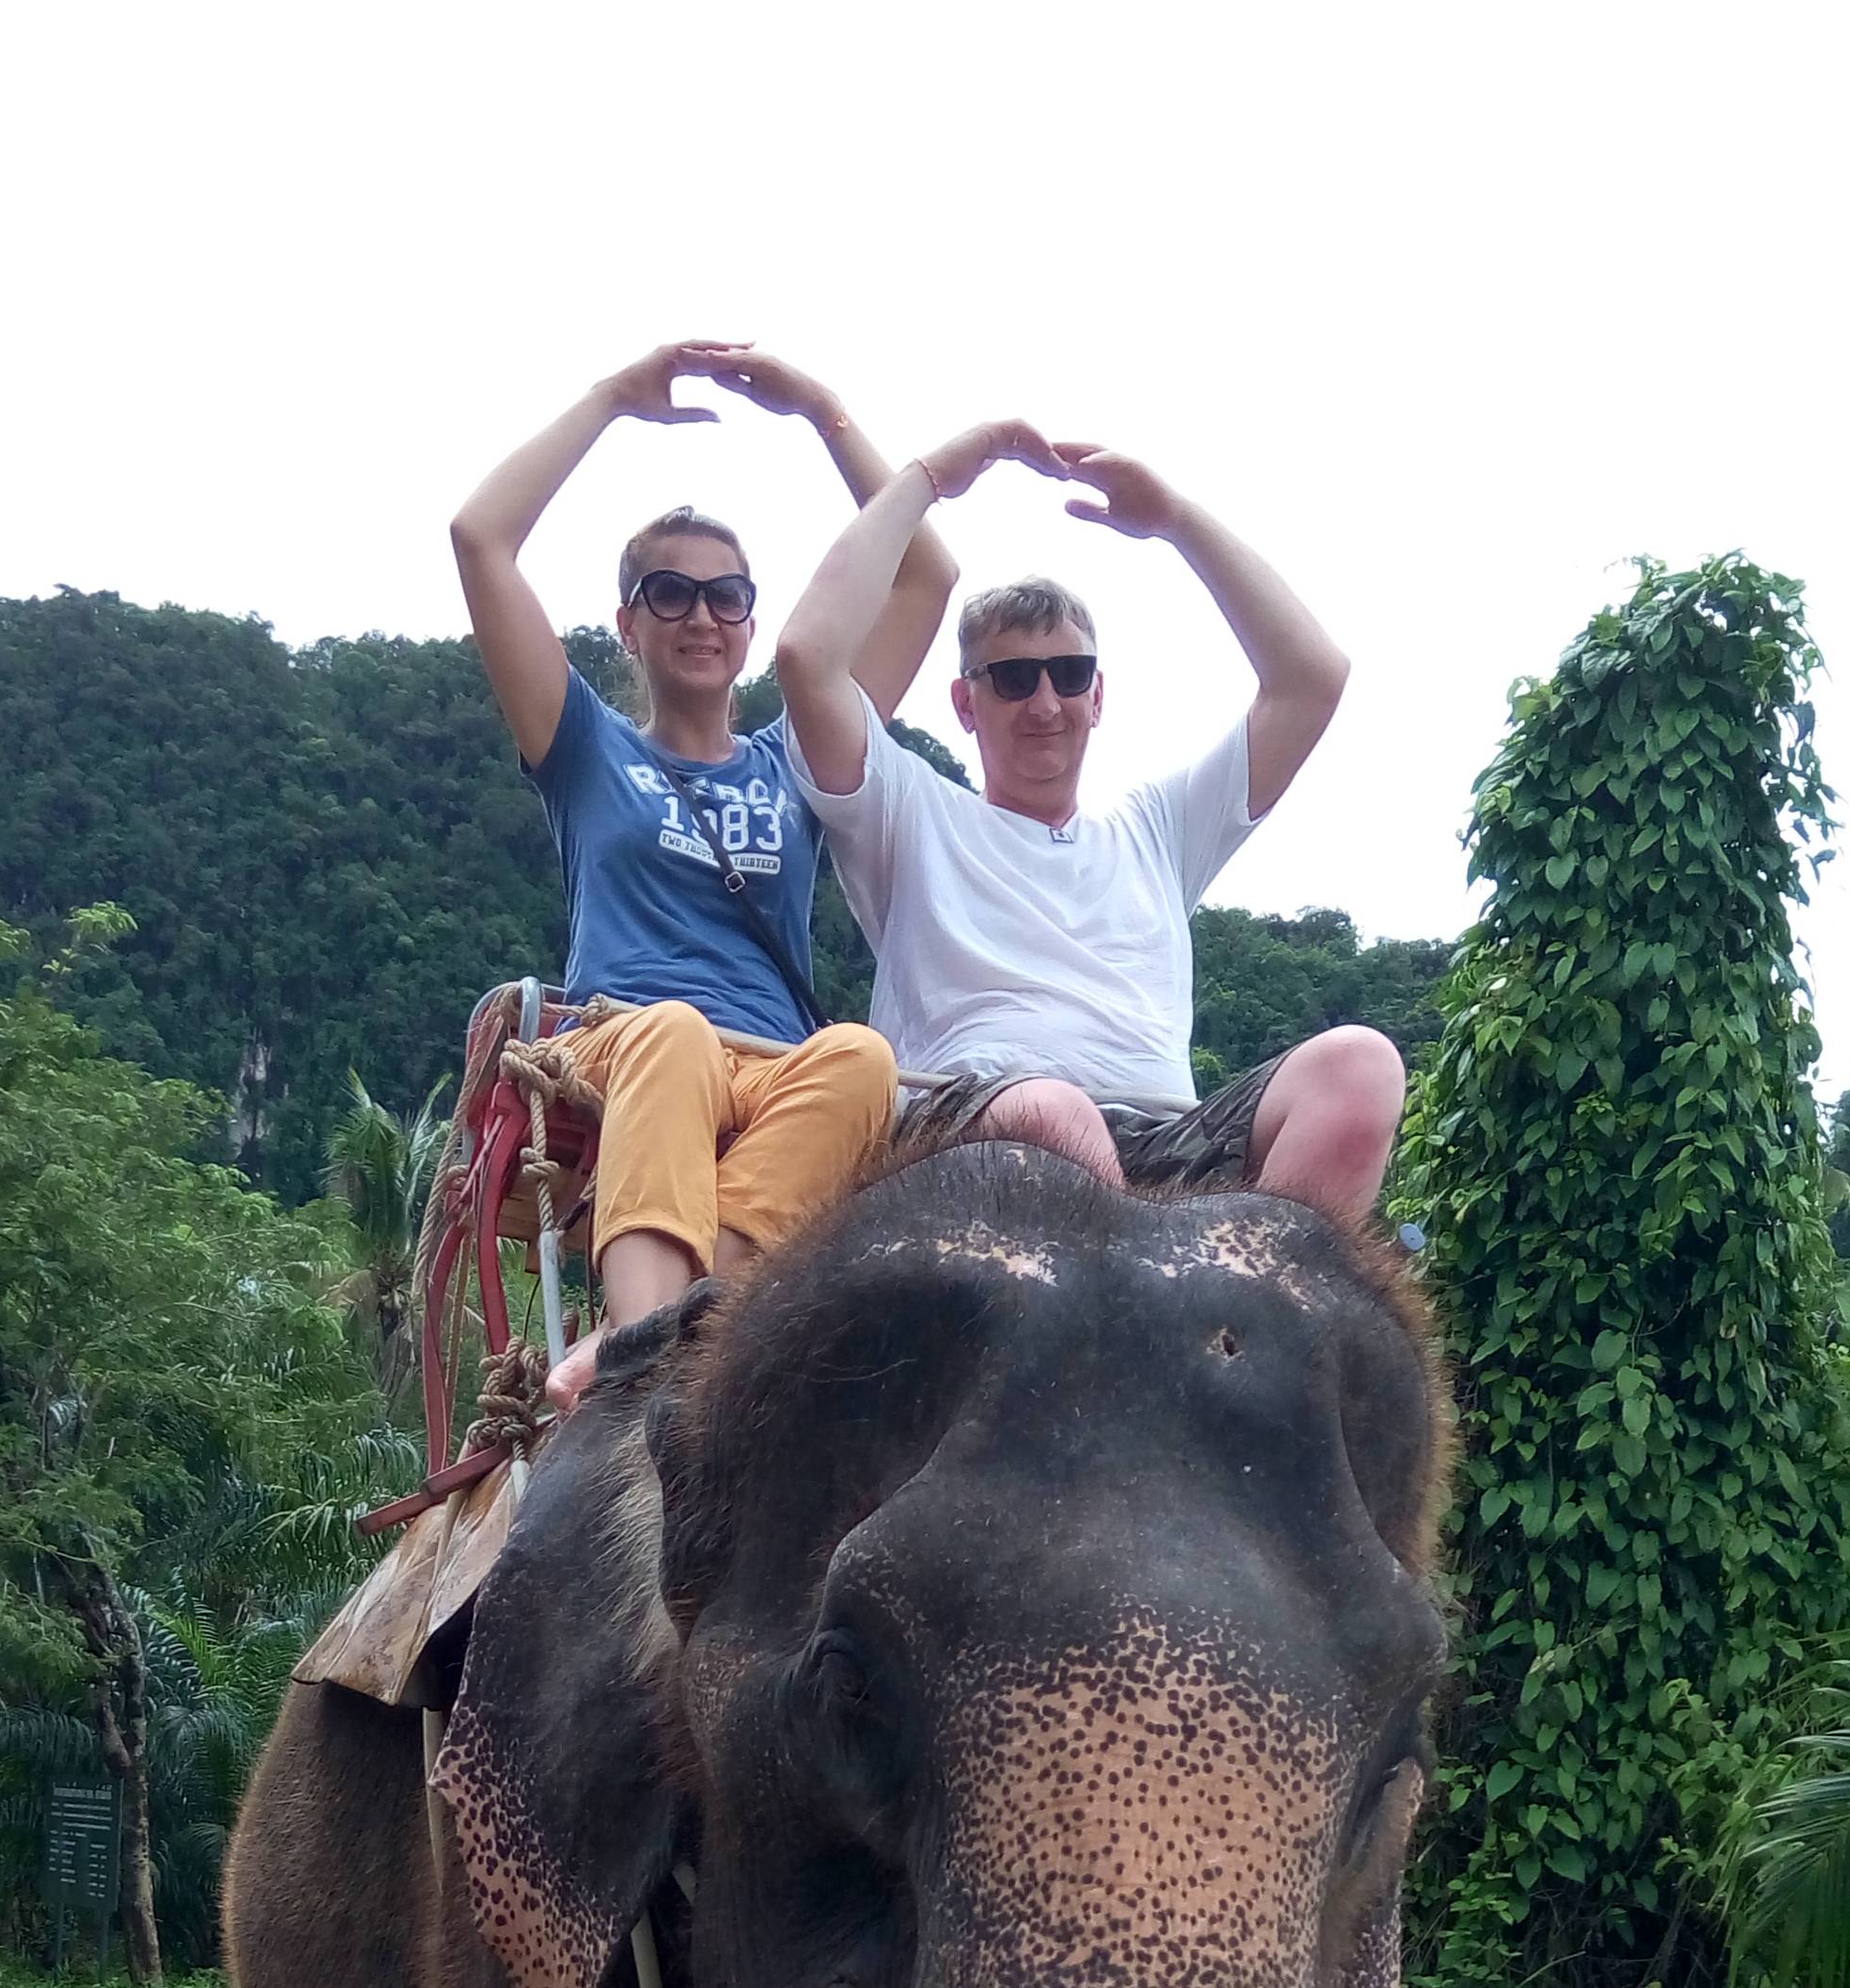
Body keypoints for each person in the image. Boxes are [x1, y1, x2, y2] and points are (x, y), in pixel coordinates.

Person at [450, 340, 957, 1385]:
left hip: (774, 1065)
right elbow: (480, 538)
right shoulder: (586, 747)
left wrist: (823, 410)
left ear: (750, 622)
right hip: (629, 1038)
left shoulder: (791, 757)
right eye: (669, 594)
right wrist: (607, 401)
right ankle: (641, 1354)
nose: (700, 616)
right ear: (627, 624)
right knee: (674, 1033)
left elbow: (927, 573)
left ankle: (674, 1331)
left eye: (726, 597)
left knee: (860, 1056)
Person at [775, 422, 1404, 1220]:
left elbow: (1311, 677)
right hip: (972, 1124)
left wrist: (1175, 518)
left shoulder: (1156, 830)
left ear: (1097, 696)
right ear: (966, 702)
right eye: (1012, 678)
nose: (1044, 704)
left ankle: (1260, 1312)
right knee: (1054, 1113)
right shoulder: (908, 810)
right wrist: (930, 476)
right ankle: (1133, 1318)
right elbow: (806, 658)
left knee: (1359, 1065)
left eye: (1068, 675)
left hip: (1163, 1138)